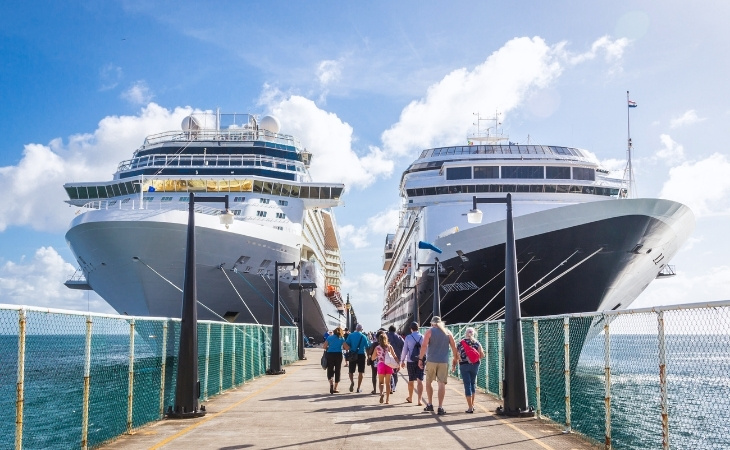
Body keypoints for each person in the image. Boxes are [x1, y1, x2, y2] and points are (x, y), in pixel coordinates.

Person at [418, 316, 458, 415]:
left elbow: (424, 346)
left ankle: (430, 404)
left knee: (428, 382)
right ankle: (440, 407)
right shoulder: (448, 332)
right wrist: (455, 359)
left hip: (431, 360)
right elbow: (454, 347)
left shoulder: (429, 331)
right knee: (441, 384)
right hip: (444, 361)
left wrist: (420, 359)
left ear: (432, 323)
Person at [456, 327, 485, 413]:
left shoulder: (460, 343)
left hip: (464, 365)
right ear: (473, 333)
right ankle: (472, 405)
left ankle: (470, 407)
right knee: (472, 384)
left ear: (466, 333)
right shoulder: (477, 343)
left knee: (467, 384)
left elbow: (457, 355)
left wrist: (459, 361)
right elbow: (482, 355)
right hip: (475, 365)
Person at [400, 321, 424, 405]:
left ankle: (410, 397)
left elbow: (405, 350)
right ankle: (419, 400)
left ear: (411, 329)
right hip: (421, 361)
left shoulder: (408, 337)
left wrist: (402, 360)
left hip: (411, 361)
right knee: (420, 380)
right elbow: (426, 349)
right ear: (418, 328)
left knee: (411, 380)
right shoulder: (422, 337)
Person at [371, 332, 399, 404]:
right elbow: (395, 356)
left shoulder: (377, 348)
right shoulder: (389, 347)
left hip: (381, 365)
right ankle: (387, 400)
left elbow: (373, 358)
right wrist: (398, 364)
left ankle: (381, 393)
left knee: (381, 382)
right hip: (388, 365)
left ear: (379, 340)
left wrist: (377, 356)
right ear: (386, 339)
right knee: (388, 383)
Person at [343, 323, 369, 393]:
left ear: (355, 328)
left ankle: (352, 382)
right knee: (361, 372)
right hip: (361, 355)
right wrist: (369, 356)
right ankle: (358, 388)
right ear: (361, 329)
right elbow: (367, 347)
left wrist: (349, 349)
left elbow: (346, 344)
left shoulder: (351, 335)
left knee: (351, 371)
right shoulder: (364, 336)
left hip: (352, 354)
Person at [323, 327, 345, 394]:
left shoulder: (329, 337)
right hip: (338, 355)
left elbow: (324, 346)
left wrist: (329, 347)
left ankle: (331, 382)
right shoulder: (341, 338)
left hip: (330, 354)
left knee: (330, 369)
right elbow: (346, 347)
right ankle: (335, 388)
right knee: (338, 370)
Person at [386, 325, 405, 393]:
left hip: (388, 357)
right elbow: (404, 346)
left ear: (389, 330)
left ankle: (390, 386)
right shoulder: (399, 337)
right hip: (397, 357)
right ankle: (394, 387)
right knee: (395, 372)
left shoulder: (386, 336)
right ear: (395, 330)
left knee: (389, 372)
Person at [367, 329, 385, 394]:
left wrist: (369, 357)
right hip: (383, 362)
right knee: (383, 376)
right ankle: (383, 390)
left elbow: (370, 352)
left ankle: (374, 389)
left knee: (374, 375)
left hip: (375, 361)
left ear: (376, 337)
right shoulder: (386, 344)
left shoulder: (374, 344)